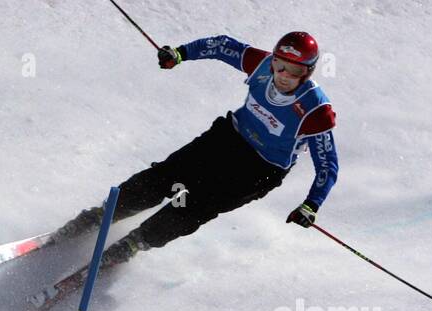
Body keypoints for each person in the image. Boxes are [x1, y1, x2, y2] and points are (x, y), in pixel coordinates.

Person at [58, 31, 338, 266]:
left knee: (196, 204)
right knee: (168, 177)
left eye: (296, 71)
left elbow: (327, 165)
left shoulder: (316, 110)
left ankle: (136, 242)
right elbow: (222, 46)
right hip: (229, 138)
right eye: (280, 65)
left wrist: (311, 204)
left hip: (261, 170)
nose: (284, 75)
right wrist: (179, 53)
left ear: (308, 72)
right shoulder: (262, 65)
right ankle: (102, 215)